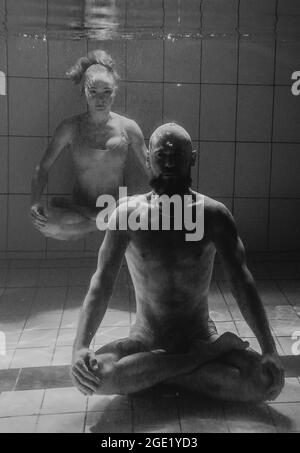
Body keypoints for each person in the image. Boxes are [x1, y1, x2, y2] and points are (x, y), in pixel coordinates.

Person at [71, 123, 285, 403]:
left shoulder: (213, 215)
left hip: (199, 333)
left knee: (265, 383)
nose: (169, 162)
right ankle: (200, 360)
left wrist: (270, 349)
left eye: (178, 155)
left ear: (193, 158)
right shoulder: (127, 215)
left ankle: (151, 374)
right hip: (146, 339)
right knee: (92, 379)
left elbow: (242, 282)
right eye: (161, 155)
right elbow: (101, 283)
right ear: (148, 158)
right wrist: (80, 347)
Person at [30, 50, 148, 241]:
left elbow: (151, 166)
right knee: (46, 223)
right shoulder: (69, 127)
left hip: (116, 206)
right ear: (83, 91)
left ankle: (101, 223)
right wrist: (34, 202)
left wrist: (169, 187)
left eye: (107, 92)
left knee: (142, 216)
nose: (100, 100)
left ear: (115, 91)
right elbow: (43, 167)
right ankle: (103, 224)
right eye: (93, 92)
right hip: (80, 208)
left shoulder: (128, 127)